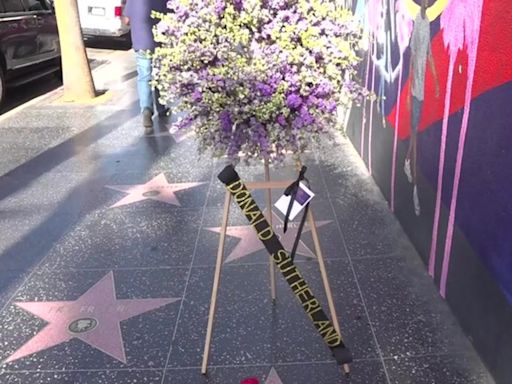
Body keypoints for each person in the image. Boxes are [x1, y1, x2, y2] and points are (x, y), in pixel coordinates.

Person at [405, 0, 439, 216]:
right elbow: (414, 57)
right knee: (415, 130)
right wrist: (409, 92)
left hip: (422, 85)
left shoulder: (424, 24)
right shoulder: (419, 22)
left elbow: (428, 54)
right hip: (417, 86)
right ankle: (413, 177)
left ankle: (409, 163)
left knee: (415, 130)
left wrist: (434, 81)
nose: (427, 3)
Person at [123, 0, 169, 134]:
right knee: (159, 74)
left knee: (144, 76)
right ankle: (161, 108)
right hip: (159, 41)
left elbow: (127, 20)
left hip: (140, 41)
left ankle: (146, 110)